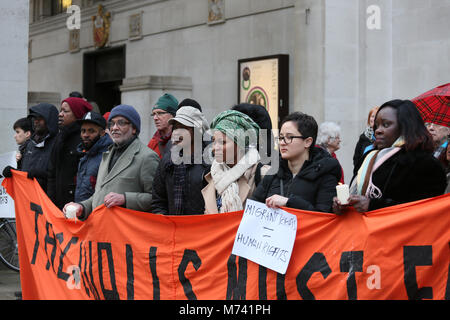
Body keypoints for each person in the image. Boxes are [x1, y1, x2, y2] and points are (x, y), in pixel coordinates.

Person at [333, 99, 447, 214]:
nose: (378, 130)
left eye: (386, 124)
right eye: (376, 126)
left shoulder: (426, 164)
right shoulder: (369, 157)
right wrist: (343, 205)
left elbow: (425, 212)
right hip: (361, 229)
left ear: (405, 127)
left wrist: (373, 205)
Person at [63, 104, 160, 220]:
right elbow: (99, 195)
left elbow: (156, 199)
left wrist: (125, 199)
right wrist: (82, 207)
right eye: (112, 123)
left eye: (121, 123)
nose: (114, 128)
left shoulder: (147, 157)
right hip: (102, 230)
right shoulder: (107, 155)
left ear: (134, 128)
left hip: (126, 233)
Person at [251, 112, 342, 212]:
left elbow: (323, 218)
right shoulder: (275, 170)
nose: (282, 142)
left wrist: (289, 202)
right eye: (281, 137)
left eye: (289, 137)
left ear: (308, 142)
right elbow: (253, 207)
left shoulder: (326, 173)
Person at [202, 110, 270, 214]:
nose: (214, 148)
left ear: (240, 143)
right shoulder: (212, 174)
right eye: (213, 141)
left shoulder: (262, 174)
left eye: (222, 142)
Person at [151, 106, 211, 215]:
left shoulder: (210, 162)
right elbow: (158, 200)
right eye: (176, 128)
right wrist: (164, 220)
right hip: (173, 229)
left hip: (202, 229)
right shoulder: (167, 161)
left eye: (184, 128)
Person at [47, 97, 93, 209]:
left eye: (65, 111)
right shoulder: (60, 137)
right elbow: (51, 171)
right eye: (61, 110)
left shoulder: (85, 140)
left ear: (78, 114)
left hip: (76, 205)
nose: (60, 114)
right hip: (57, 203)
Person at [2, 103, 59, 192]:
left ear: (49, 120)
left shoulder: (58, 143)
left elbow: (60, 176)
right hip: (28, 199)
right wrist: (13, 172)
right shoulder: (29, 145)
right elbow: (25, 173)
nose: (36, 121)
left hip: (48, 200)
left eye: (39, 118)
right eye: (34, 119)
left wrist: (39, 174)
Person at [74, 111, 112, 202]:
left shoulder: (108, 155)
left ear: (102, 133)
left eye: (91, 131)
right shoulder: (84, 154)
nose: (85, 135)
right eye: (83, 131)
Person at [148, 93, 179, 158]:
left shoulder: (183, 140)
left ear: (172, 115)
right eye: (154, 114)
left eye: (160, 113)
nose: (155, 118)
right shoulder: (153, 143)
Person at [352, 106, 379, 176]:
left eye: (376, 116)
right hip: (362, 174)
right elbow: (356, 158)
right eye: (372, 116)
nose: (373, 119)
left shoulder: (383, 137)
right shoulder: (363, 137)